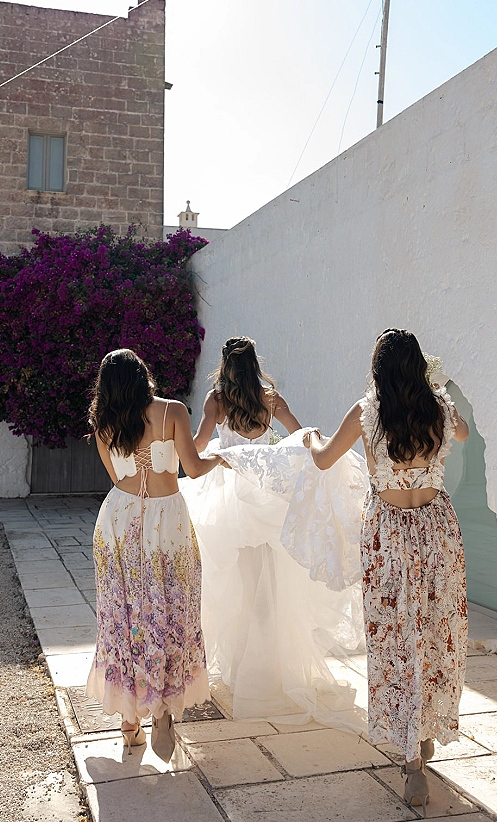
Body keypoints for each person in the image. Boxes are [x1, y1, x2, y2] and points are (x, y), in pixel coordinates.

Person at [304, 329, 469, 813]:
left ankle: (412, 759)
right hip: (437, 529)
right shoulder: (439, 409)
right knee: (437, 631)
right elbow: (461, 433)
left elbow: (323, 459)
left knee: (396, 638)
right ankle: (425, 729)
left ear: (378, 370)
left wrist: (311, 436)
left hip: (388, 535)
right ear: (420, 367)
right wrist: (435, 391)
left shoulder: (366, 412)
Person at [180, 337, 368, 728]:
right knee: (272, 586)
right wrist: (269, 455)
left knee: (236, 586)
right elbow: (300, 437)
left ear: (225, 366)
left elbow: (196, 451)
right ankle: (269, 670)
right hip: (266, 498)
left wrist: (217, 449)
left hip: (229, 499)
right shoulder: (271, 399)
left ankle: (240, 671)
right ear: (255, 365)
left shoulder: (216, 401)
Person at [85, 348, 225, 759]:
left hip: (118, 523)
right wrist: (219, 456)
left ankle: (131, 726)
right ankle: (164, 708)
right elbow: (193, 468)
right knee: (172, 609)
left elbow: (116, 478)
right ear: (143, 375)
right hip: (168, 524)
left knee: (125, 614)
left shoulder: (104, 425)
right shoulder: (173, 412)